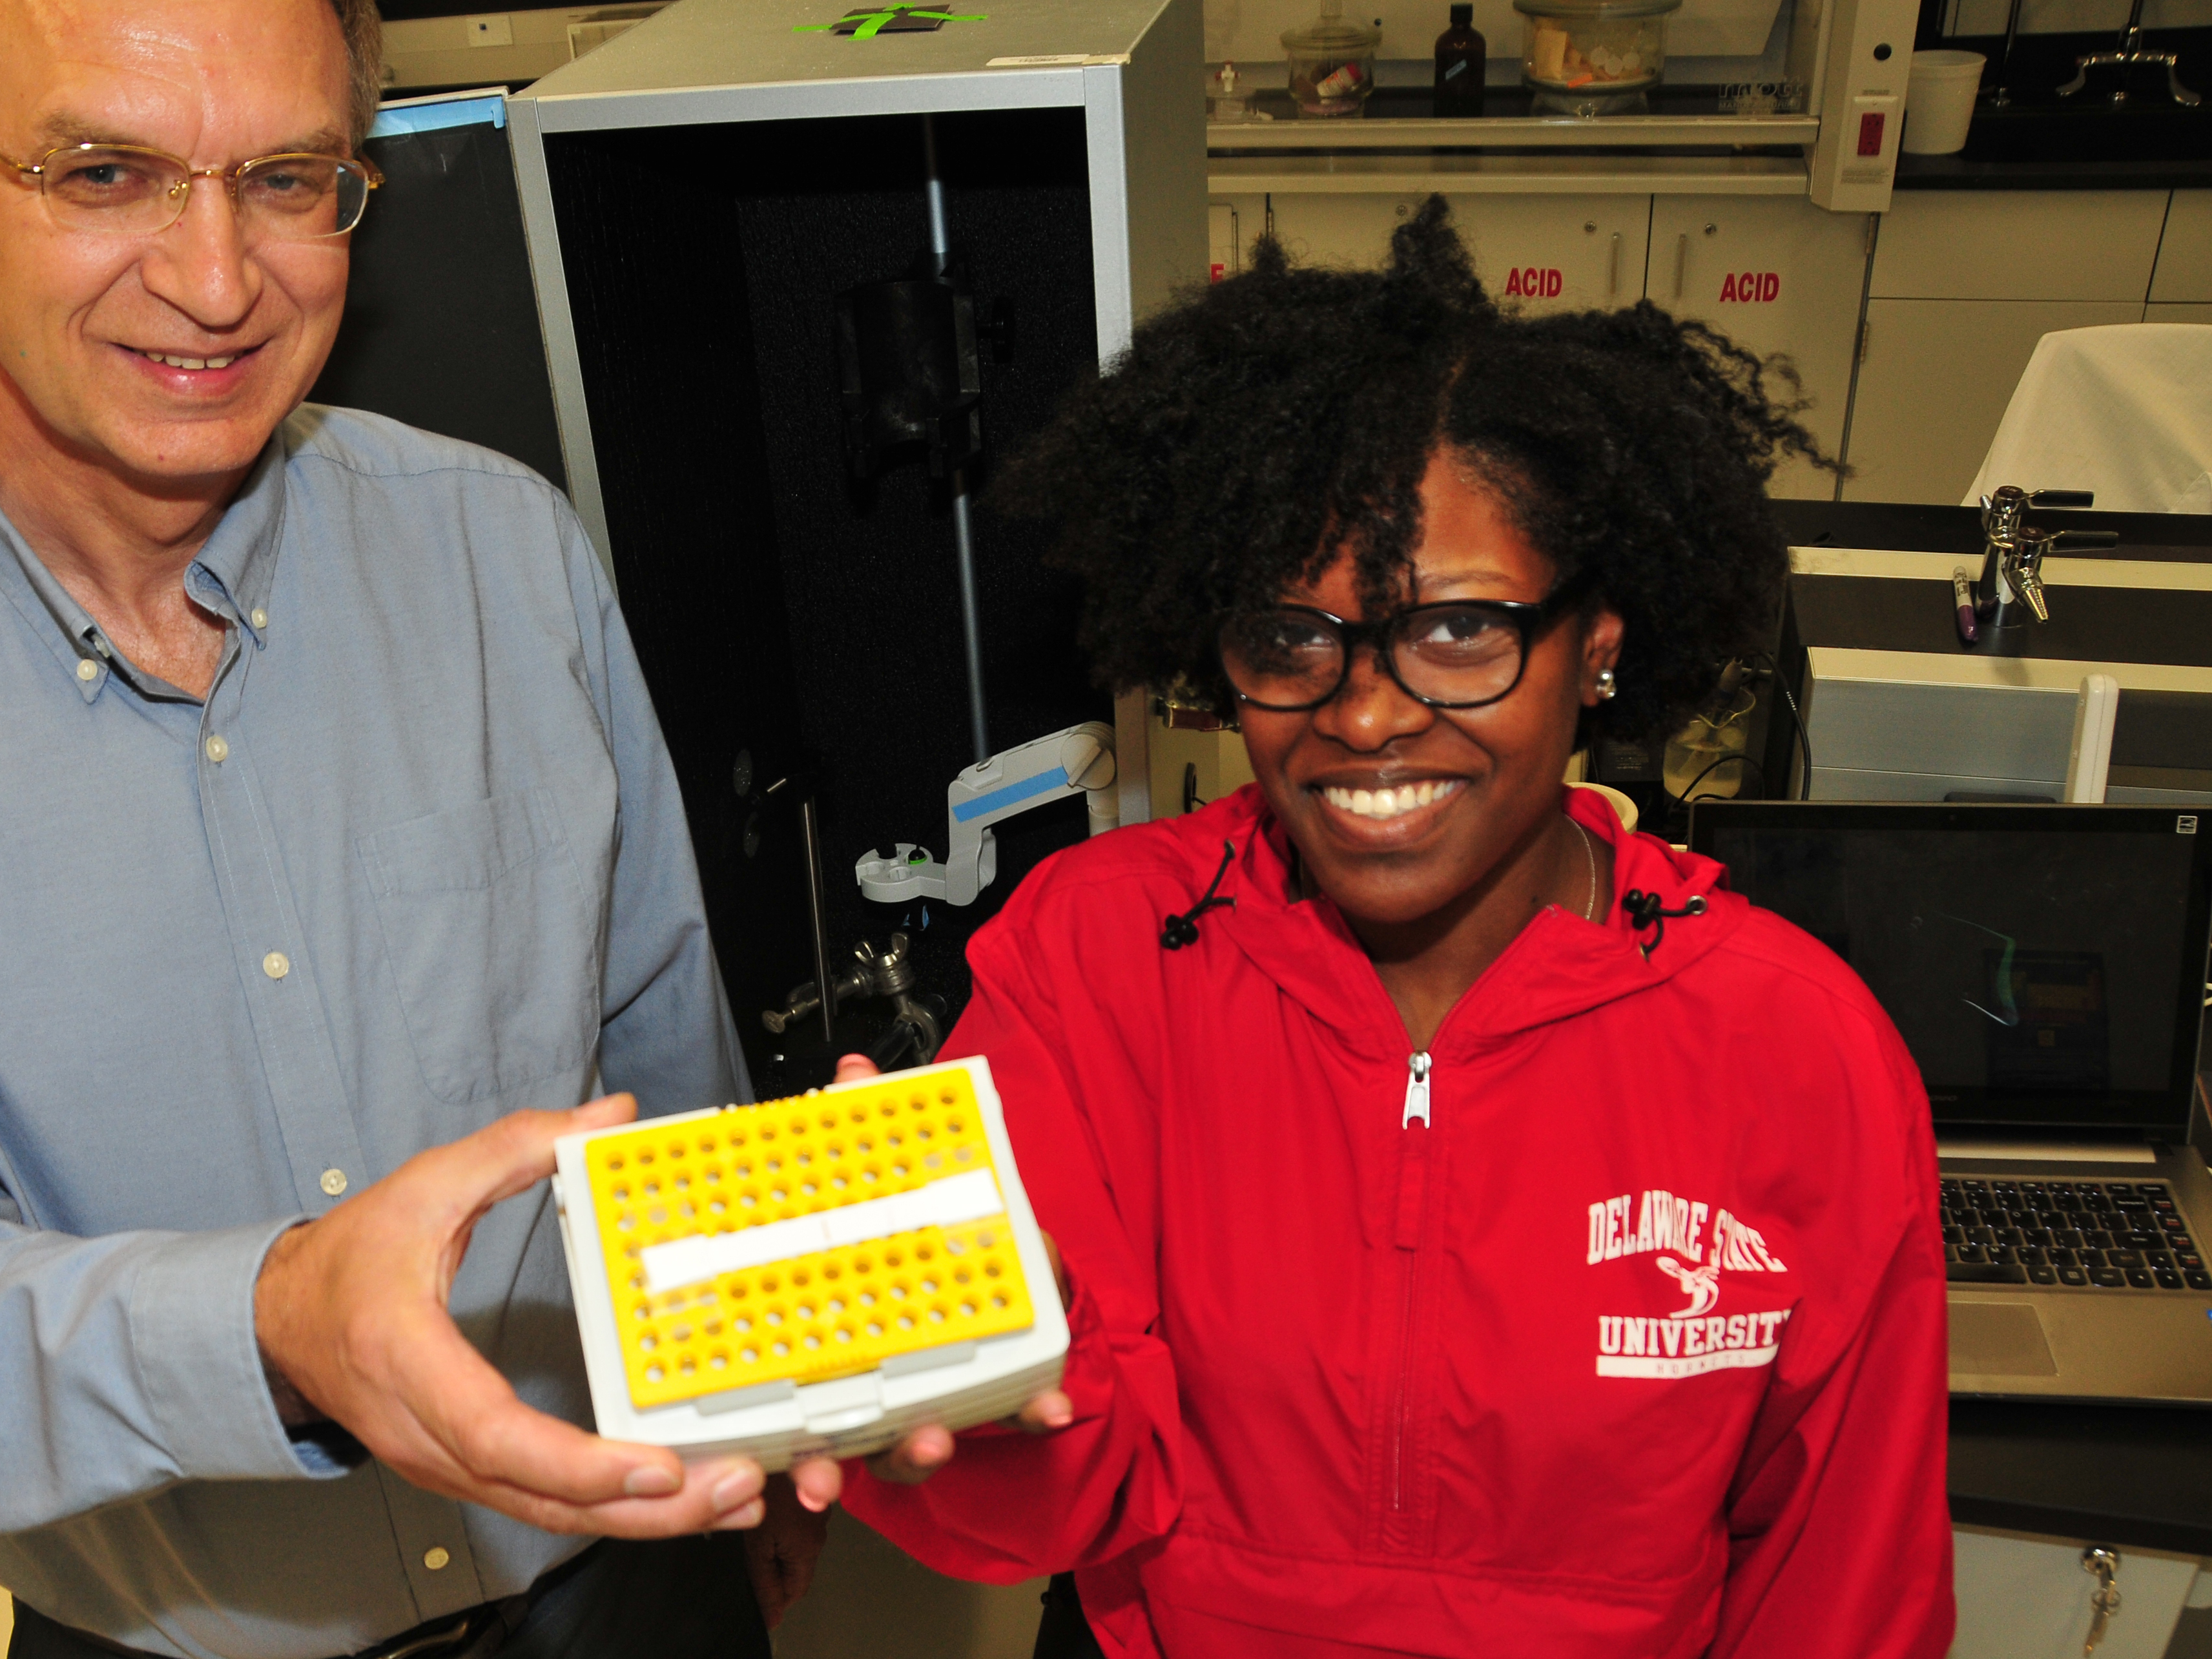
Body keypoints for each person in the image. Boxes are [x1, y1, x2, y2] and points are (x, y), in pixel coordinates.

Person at [0, 1, 824, 1654]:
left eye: (291, 178)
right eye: (105, 171)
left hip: (622, 1573)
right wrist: (267, 1329)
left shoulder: (500, 552)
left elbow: (660, 1051)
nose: (221, 279)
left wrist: (770, 1380)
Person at [787, 202, 1957, 1657]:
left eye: (1458, 629)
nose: (1360, 712)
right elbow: (1064, 1494)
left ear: (1595, 643)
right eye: (1289, 638)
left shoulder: (1796, 1050)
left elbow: (1845, 1586)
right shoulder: (1097, 958)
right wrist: (948, 1394)